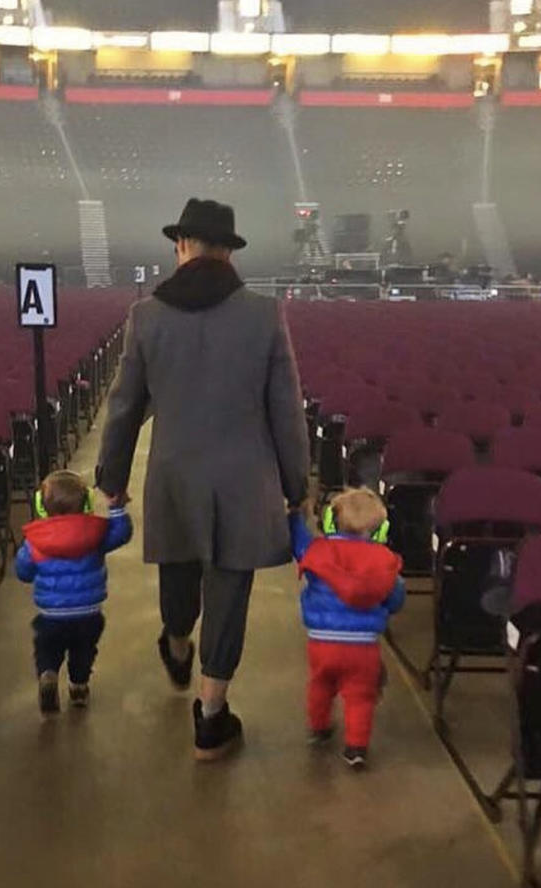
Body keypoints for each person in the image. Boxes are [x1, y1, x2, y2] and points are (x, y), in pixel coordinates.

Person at [96, 198, 309, 761]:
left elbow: (124, 408)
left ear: (182, 246)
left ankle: (175, 640)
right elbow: (286, 410)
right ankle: (211, 716)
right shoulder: (264, 314)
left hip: (174, 476)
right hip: (245, 478)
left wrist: (111, 477)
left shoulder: (147, 315)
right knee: (230, 591)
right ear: (227, 251)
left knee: (179, 571)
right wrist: (298, 486)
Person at [290, 488, 405, 770]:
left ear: (333, 521)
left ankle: (319, 728)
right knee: (360, 696)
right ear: (377, 529)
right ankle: (356, 748)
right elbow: (395, 598)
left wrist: (295, 517)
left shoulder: (318, 551)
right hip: (363, 646)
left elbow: (298, 542)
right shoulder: (384, 560)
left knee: (320, 684)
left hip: (321, 643)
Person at [14, 470, 132, 715]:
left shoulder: (35, 540)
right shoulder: (95, 533)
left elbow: (23, 571)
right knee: (83, 651)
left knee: (47, 648)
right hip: (88, 613)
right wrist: (117, 509)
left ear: (41, 506)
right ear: (87, 503)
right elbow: (120, 534)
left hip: (50, 613)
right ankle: (78, 687)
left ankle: (48, 674)